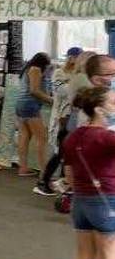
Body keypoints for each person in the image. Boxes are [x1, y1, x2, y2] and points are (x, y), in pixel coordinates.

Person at [62, 85, 115, 259]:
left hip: (81, 202)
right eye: (113, 103)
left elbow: (69, 176)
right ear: (98, 109)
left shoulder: (72, 137)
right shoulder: (106, 138)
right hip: (107, 202)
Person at [38, 49, 94, 196]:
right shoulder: (71, 76)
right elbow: (62, 92)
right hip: (64, 118)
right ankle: (44, 182)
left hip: (70, 118)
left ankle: (63, 183)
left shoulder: (80, 77)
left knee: (66, 154)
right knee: (61, 153)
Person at [15, 52, 54, 177]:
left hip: (21, 105)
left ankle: (23, 168)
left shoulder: (27, 68)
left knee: (25, 136)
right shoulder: (35, 69)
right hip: (30, 106)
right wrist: (51, 100)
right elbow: (34, 90)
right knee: (42, 138)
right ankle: (44, 172)